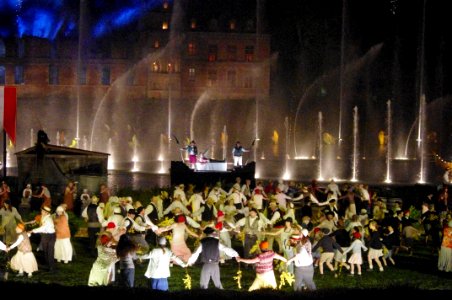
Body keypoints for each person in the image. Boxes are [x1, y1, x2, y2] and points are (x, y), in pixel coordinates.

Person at [30, 206, 56, 272]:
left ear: (46, 212)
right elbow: (40, 223)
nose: (41, 211)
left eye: (42, 211)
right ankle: (48, 264)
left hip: (49, 236)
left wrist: (33, 230)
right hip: (46, 235)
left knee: (50, 251)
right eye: (41, 210)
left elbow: (43, 228)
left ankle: (51, 267)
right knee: (45, 250)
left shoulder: (48, 220)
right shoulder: (44, 216)